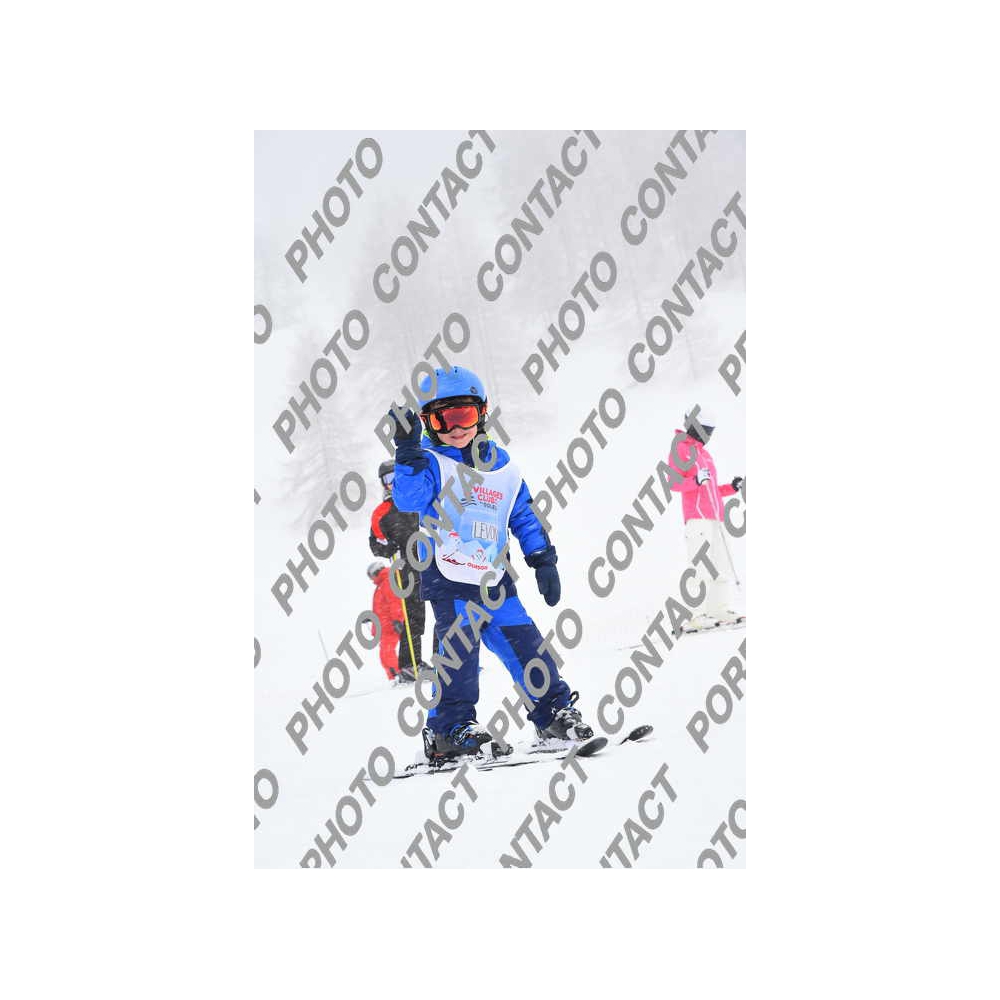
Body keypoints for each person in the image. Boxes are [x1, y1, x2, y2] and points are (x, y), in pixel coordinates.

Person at [390, 365, 594, 762]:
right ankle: (448, 730)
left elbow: (523, 514)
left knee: (528, 647)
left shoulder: (502, 466)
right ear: (428, 423)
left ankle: (552, 714)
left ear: (481, 414)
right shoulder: (430, 461)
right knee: (458, 657)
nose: (455, 428)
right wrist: (407, 453)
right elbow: (409, 500)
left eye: (463, 415)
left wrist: (541, 557)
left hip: (494, 578)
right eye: (443, 420)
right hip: (449, 576)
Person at [667, 406, 745, 630]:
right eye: (705, 430)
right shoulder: (680, 449)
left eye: (710, 431)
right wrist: (695, 481)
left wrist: (731, 488)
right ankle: (695, 615)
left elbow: (710, 489)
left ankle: (719, 609)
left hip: (715, 518)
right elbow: (673, 482)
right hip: (697, 518)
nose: (708, 436)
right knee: (700, 567)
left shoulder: (704, 454)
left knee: (721, 566)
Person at [369, 459, 426, 675]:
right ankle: (410, 663)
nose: (393, 483)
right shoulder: (382, 512)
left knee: (442, 611)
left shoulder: (417, 500)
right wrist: (387, 547)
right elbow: (376, 544)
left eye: (396, 477)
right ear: (383, 483)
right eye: (388, 479)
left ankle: (445, 659)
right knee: (413, 617)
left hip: (430, 563)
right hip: (406, 570)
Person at [367, 560, 415, 684]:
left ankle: (401, 675)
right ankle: (395, 677)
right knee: (384, 655)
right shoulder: (381, 585)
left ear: (376, 572)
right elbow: (381, 608)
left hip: (390, 625)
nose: (371, 579)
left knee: (387, 653)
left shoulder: (387, 582)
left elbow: (395, 601)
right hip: (384, 626)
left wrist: (397, 619)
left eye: (371, 575)